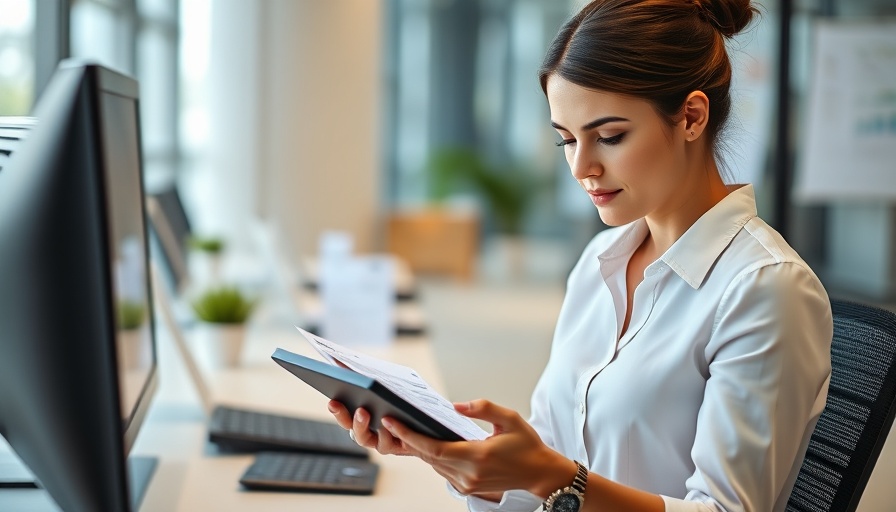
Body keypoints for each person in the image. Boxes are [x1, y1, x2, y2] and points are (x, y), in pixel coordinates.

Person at [328, 0, 833, 510]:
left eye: (609, 137)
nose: (581, 167)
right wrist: (462, 463)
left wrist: (553, 476)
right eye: (565, 141)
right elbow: (551, 457)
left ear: (692, 117)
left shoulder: (766, 289)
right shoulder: (601, 261)